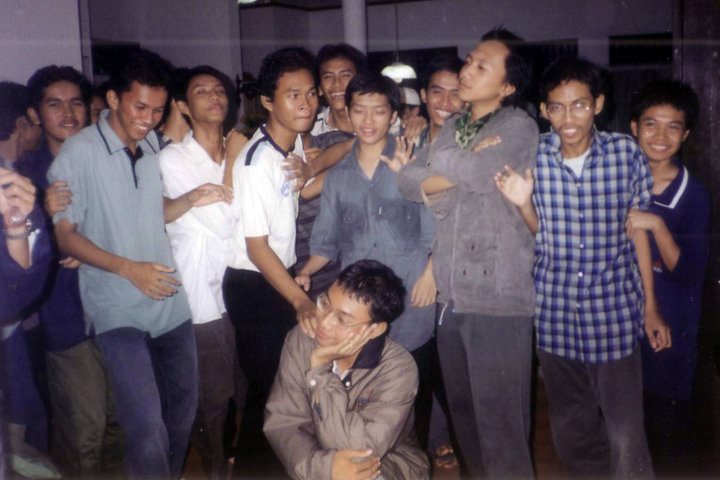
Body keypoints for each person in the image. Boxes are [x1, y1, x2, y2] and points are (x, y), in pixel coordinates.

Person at [494, 58, 670, 479]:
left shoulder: (625, 153)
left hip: (613, 313)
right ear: (544, 110)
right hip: (554, 315)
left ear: (598, 104)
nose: (568, 118)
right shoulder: (534, 155)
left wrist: (650, 308)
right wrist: (523, 203)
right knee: (572, 427)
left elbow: (637, 230)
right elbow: (540, 232)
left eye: (579, 105)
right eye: (557, 107)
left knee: (626, 431)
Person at [395, 28, 538, 478]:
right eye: (469, 61)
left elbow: (476, 174)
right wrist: (465, 156)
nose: (467, 71)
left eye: (481, 66)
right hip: (451, 298)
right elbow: (406, 182)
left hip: (497, 298)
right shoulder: (456, 127)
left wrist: (447, 161)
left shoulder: (517, 126)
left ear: (507, 86)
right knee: (466, 421)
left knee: (502, 429)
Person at [47, 49, 197, 479]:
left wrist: (192, 199)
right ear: (113, 99)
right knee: (146, 425)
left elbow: (149, 211)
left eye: (157, 110)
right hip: (116, 305)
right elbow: (65, 235)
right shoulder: (78, 153)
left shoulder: (148, 144)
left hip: (169, 298)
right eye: (140, 107)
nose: (149, 119)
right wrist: (130, 269)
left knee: (182, 412)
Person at [18, 64, 125, 478]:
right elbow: (16, 260)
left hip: (116, 310)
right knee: (85, 433)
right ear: (35, 114)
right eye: (54, 104)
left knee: (120, 425)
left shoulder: (109, 161)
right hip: (65, 317)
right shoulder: (25, 174)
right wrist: (44, 219)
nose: (68, 112)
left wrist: (93, 245)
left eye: (76, 102)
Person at [222, 46, 319, 477]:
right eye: (293, 95)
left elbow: (304, 187)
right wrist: (298, 300)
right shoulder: (256, 161)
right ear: (267, 101)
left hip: (274, 277)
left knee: (278, 394)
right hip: (254, 283)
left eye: (311, 93)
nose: (306, 103)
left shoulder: (289, 145)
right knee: (270, 395)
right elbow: (257, 247)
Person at [265, 259, 430, 480]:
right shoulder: (302, 339)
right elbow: (285, 423)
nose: (324, 322)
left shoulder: (398, 369)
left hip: (385, 463)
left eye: (342, 320)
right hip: (313, 458)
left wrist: (319, 372)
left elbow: (358, 452)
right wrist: (324, 468)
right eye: (325, 303)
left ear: (375, 330)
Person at [159, 65, 245, 480]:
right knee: (213, 394)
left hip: (241, 286)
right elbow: (225, 222)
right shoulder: (173, 159)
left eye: (219, 90)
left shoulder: (240, 149)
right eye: (201, 91)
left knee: (243, 387)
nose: (214, 96)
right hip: (201, 296)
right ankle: (214, 469)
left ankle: (235, 462)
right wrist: (234, 164)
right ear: (182, 106)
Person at [627, 80, 710, 475]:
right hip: (622, 320)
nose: (660, 136)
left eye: (673, 127)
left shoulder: (693, 195)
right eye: (651, 124)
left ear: (686, 133)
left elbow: (689, 272)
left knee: (663, 426)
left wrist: (656, 225)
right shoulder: (620, 180)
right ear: (634, 128)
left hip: (671, 323)